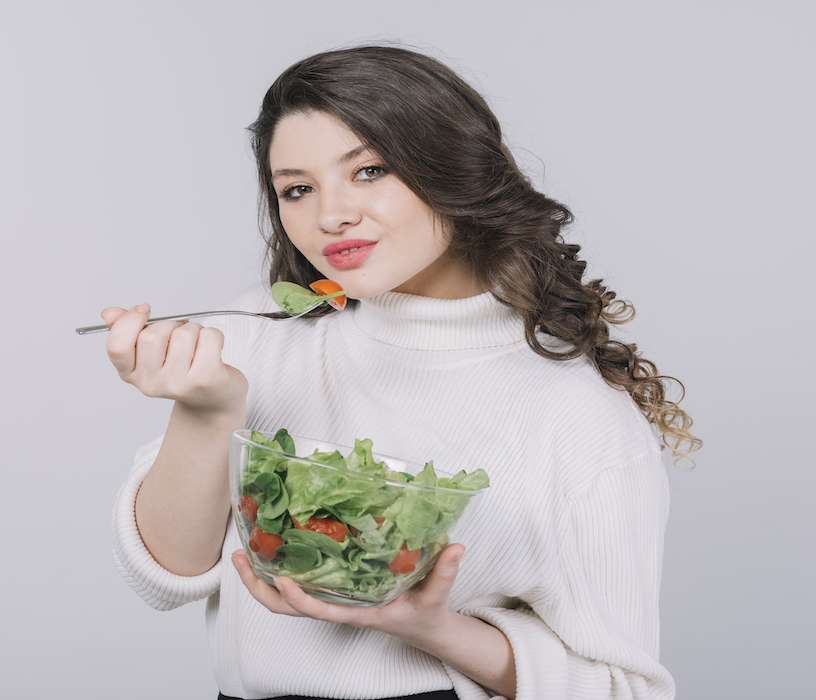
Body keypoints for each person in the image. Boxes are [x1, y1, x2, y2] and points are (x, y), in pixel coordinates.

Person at [100, 46, 699, 700]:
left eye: (370, 171)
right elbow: (162, 577)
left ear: (455, 171)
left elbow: (624, 689)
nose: (331, 216)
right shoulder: (260, 331)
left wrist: (433, 628)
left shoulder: (575, 415)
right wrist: (207, 412)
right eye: (297, 189)